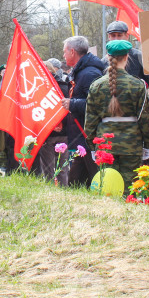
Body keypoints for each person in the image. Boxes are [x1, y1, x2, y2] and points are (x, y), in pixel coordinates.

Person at [84, 40, 149, 188]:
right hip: (132, 145)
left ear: (108, 58)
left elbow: (90, 121)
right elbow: (145, 119)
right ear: (127, 57)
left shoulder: (96, 85)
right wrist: (148, 144)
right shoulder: (138, 84)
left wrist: (91, 145)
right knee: (130, 188)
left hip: (105, 145)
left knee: (108, 188)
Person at [62, 35, 107, 187]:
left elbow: (98, 105)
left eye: (65, 52)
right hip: (81, 139)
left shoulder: (90, 74)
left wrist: (73, 104)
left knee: (95, 180)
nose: (64, 55)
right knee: (75, 181)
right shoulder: (81, 72)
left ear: (72, 52)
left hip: (88, 137)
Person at [104, 21, 149, 112]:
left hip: (136, 115)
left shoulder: (139, 57)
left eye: (119, 35)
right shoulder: (103, 61)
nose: (116, 39)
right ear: (108, 37)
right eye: (113, 35)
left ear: (127, 36)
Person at [32, 60, 71, 183]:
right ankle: (63, 190)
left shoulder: (40, 87)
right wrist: (62, 124)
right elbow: (68, 108)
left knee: (48, 169)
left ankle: (49, 192)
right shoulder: (64, 85)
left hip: (47, 133)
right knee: (63, 168)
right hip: (64, 132)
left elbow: (38, 110)